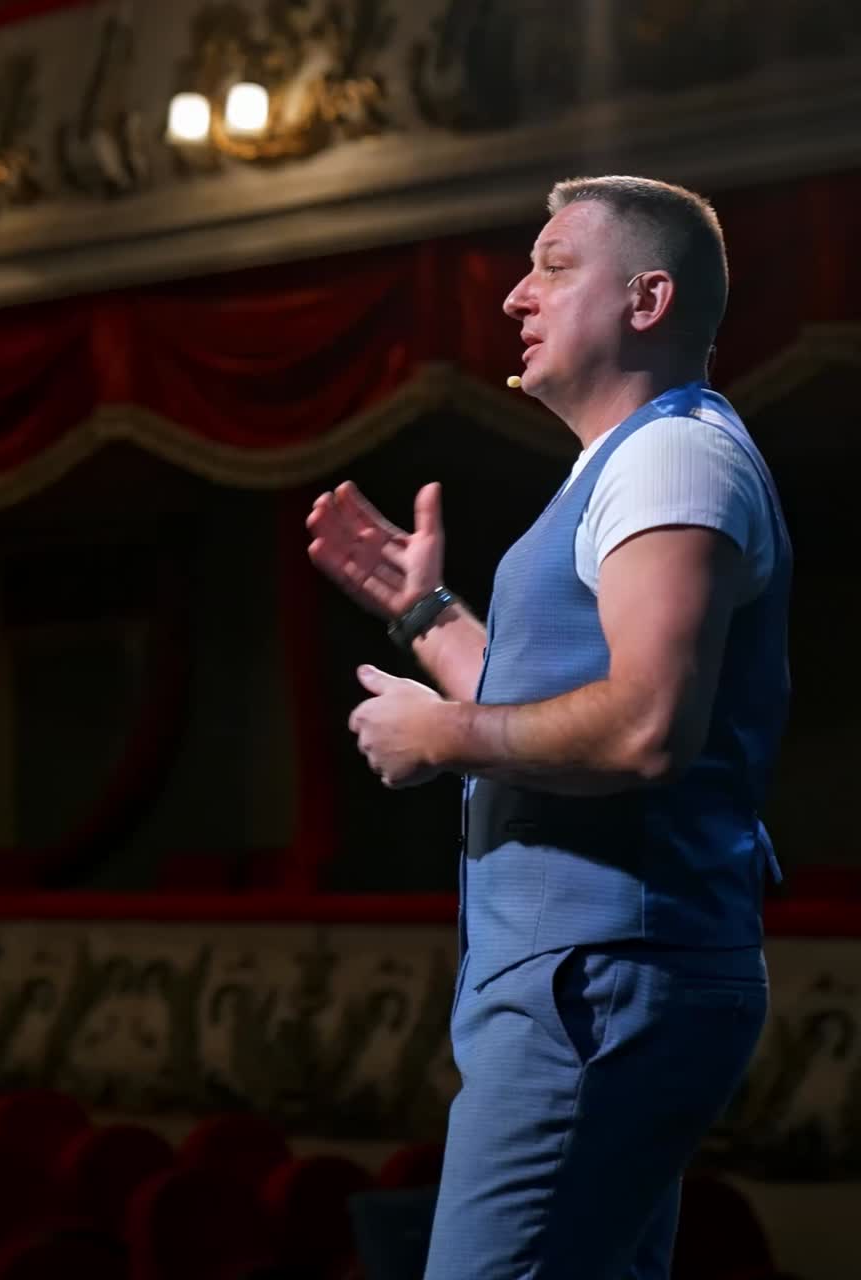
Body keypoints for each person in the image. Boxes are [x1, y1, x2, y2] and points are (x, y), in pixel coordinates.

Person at [306, 175, 791, 1279]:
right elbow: (550, 696)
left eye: (553, 265)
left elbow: (643, 728)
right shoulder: (629, 464)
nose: (515, 295)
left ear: (646, 297)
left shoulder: (673, 457)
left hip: (601, 980)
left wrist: (439, 739)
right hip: (597, 977)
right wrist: (423, 617)